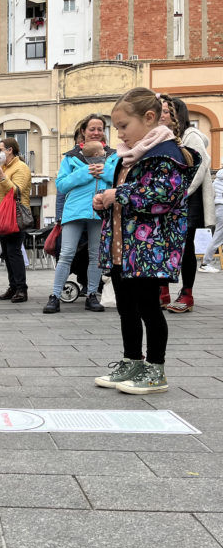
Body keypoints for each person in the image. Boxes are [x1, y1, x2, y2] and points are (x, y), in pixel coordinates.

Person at [93, 87, 198, 394]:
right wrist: (103, 201)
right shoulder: (130, 157)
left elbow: (163, 197)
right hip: (124, 249)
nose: (120, 134)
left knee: (149, 308)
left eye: (124, 126)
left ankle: (155, 369)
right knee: (126, 308)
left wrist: (118, 195)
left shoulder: (166, 154)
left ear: (149, 118)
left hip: (149, 249)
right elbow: (126, 198)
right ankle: (131, 361)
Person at [44, 114, 118, 314]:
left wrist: (103, 171)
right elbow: (61, 184)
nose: (96, 132)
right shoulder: (71, 157)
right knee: (66, 253)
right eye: (92, 128)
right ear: (83, 132)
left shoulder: (113, 155)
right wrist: (85, 172)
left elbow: (120, 179)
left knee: (96, 255)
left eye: (100, 128)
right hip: (75, 211)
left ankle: (92, 295)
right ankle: (55, 296)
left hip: (101, 211)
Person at [157, 95, 214, 313]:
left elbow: (200, 166)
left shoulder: (191, 136)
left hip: (187, 199)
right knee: (162, 243)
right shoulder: (163, 137)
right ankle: (162, 291)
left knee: (185, 246)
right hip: (169, 199)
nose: (161, 115)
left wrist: (182, 193)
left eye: (165, 111)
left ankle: (187, 294)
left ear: (177, 114)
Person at [0, 138, 32, 303]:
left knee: (14, 252)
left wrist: (1, 176)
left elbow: (16, 191)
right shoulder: (5, 167)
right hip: (3, 218)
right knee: (7, 254)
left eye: (1, 150)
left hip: (15, 216)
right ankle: (13, 286)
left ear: (10, 150)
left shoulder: (21, 167)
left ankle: (22, 289)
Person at [199, 167, 223, 272]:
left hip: (218, 207)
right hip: (222, 207)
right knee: (218, 237)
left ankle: (205, 263)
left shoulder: (217, 178)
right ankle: (205, 263)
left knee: (218, 236)